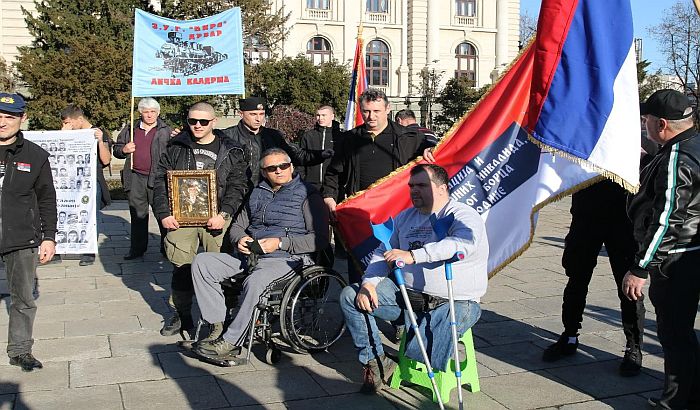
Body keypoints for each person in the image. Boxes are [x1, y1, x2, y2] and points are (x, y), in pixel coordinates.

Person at [339, 164, 488, 393]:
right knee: (351, 295)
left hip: (454, 301)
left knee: (425, 346)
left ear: (442, 189)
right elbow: (384, 251)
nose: (414, 190)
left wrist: (413, 256)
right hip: (408, 297)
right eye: (411, 186)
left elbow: (462, 244)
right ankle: (377, 363)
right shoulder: (405, 217)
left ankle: (432, 351)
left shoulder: (462, 214)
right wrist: (369, 282)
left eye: (421, 185)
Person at [191, 148, 329, 359]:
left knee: (255, 281)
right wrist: (240, 239)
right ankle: (216, 326)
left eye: (283, 166)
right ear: (264, 172)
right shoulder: (257, 192)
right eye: (272, 168)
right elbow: (237, 226)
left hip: (288, 260)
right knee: (203, 262)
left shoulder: (309, 195)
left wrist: (281, 243)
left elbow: (319, 240)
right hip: (251, 255)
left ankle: (231, 342)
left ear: (291, 166)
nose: (279, 171)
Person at [622, 89, 700, 409]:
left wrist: (640, 267)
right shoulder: (690, 145)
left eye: (648, 119)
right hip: (692, 252)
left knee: (675, 334)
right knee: (683, 334)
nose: (646, 123)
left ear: (663, 124)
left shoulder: (677, 156)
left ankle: (677, 402)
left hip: (677, 259)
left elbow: (668, 218)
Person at [153, 102, 248, 338]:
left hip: (216, 219)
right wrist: (164, 213)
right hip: (180, 218)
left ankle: (222, 319)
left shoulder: (231, 149)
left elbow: (238, 186)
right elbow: (159, 182)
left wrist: (224, 213)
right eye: (192, 121)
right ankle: (182, 316)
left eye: (203, 121)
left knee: (221, 270)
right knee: (182, 268)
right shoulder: (176, 147)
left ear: (214, 122)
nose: (197, 125)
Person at [322, 88, 435, 284]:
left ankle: (399, 307)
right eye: (366, 111)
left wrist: (430, 149)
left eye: (376, 111)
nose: (371, 116)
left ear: (388, 109)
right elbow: (333, 173)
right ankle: (361, 306)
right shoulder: (349, 139)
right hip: (362, 215)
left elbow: (436, 149)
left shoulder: (408, 137)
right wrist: (329, 197)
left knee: (398, 267)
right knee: (362, 269)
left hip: (398, 214)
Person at [541, 179, 646, 377]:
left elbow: (651, 154)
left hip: (623, 219)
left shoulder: (637, 146)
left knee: (629, 288)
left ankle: (633, 346)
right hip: (585, 216)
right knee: (576, 280)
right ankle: (570, 335)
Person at [0, 93, 57, 371]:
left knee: (23, 298)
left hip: (21, 238)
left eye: (9, 116)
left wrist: (49, 236)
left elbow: (47, 199)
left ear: (22, 119)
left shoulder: (35, 156)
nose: (2, 122)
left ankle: (20, 350)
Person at [220, 97, 331, 189]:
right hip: (236, 195)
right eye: (253, 114)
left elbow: (296, 154)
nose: (258, 119)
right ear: (241, 114)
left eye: (261, 114)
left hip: (267, 193)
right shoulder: (226, 136)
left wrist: (320, 155)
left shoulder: (273, 136)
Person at [113, 97, 172, 259]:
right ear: (140, 113)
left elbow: (175, 151)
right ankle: (137, 249)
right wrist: (124, 149)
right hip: (136, 177)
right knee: (138, 215)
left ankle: (167, 248)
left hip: (159, 178)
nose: (150, 115)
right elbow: (116, 150)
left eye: (153, 112)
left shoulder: (166, 130)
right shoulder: (131, 129)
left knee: (163, 214)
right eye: (146, 112)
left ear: (158, 113)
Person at [60, 104, 112, 266]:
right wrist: (63, 136)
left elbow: (106, 160)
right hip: (70, 182)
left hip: (91, 182)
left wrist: (100, 141)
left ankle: (89, 251)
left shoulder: (97, 132)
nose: (66, 126)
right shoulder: (68, 133)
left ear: (80, 119)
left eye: (68, 123)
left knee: (90, 216)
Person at [298, 105, 342, 191]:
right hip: (311, 185)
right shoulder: (308, 136)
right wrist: (302, 180)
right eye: (318, 115)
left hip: (335, 186)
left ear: (332, 116)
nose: (320, 118)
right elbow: (301, 159)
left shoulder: (341, 137)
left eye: (323, 115)